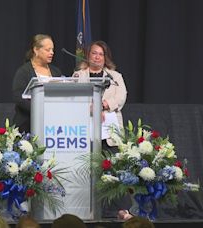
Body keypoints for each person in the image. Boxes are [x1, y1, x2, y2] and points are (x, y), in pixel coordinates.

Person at [73, 40, 130, 218]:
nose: (97, 57)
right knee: (87, 168)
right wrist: (91, 107)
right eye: (94, 53)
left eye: (100, 54)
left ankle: (121, 210)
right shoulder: (78, 75)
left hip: (109, 130)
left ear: (105, 58)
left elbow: (121, 97)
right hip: (86, 129)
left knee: (113, 168)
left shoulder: (115, 76)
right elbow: (72, 97)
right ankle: (86, 209)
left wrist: (103, 105)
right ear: (88, 56)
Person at [12, 34, 62, 133]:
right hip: (27, 125)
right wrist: (40, 111)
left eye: (52, 50)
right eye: (48, 50)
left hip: (52, 125)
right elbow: (19, 97)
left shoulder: (56, 72)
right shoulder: (24, 71)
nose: (52, 53)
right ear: (36, 50)